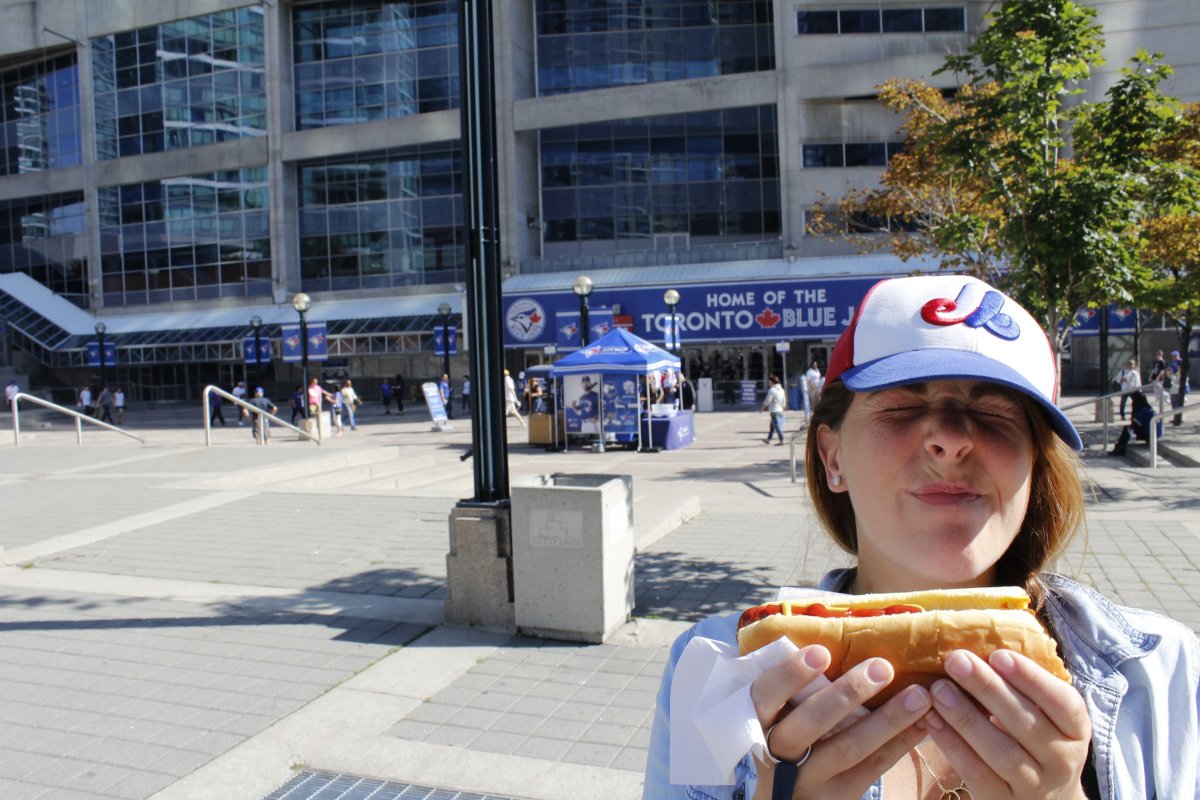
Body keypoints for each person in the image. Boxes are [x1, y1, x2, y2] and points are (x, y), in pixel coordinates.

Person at [644, 275, 1199, 800]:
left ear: (1034, 461)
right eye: (904, 405)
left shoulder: (1165, 674)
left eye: (995, 412)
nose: (952, 439)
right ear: (832, 456)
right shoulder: (710, 669)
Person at [1109, 389, 1161, 456]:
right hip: (1156, 433)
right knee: (1130, 428)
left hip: (1150, 434)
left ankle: (1121, 447)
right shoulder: (1149, 409)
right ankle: (1120, 446)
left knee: (1127, 429)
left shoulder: (1142, 412)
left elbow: (1133, 425)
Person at [759, 373, 786, 446]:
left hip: (774, 410)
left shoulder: (772, 390)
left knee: (776, 426)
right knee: (772, 426)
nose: (769, 384)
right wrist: (783, 407)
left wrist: (762, 408)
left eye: (769, 382)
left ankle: (782, 439)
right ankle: (768, 439)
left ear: (773, 382)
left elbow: (767, 400)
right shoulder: (782, 390)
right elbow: (784, 400)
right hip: (780, 410)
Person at [1168, 349, 1188, 426]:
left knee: (1178, 404)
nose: (1173, 357)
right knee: (1174, 403)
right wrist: (1170, 374)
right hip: (1174, 389)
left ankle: (1179, 418)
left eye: (1175, 355)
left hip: (1180, 388)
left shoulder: (1182, 362)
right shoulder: (1173, 364)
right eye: (1173, 356)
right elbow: (1171, 374)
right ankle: (1175, 418)